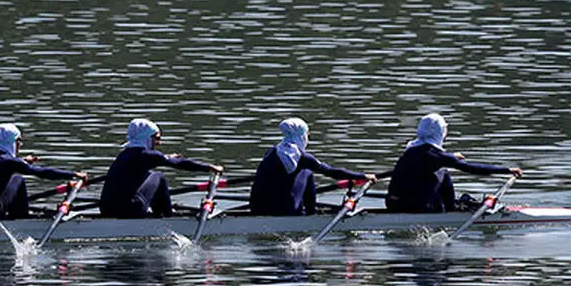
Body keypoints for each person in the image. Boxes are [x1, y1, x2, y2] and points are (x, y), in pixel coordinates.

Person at [383, 113, 522, 213]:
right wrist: (507, 170)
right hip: (416, 208)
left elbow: (398, 171)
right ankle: (451, 210)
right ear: (440, 132)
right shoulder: (437, 157)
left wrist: (377, 176)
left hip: (392, 204)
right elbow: (471, 168)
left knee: (440, 169)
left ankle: (449, 207)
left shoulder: (411, 150)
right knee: (443, 171)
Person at [248, 118, 378, 216]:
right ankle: (311, 214)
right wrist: (363, 176)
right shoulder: (303, 158)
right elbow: (332, 172)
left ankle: (307, 211)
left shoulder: (271, 151)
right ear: (301, 136)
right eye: (307, 134)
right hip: (283, 211)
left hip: (256, 208)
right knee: (307, 172)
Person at [0, 123, 86, 220]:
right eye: (19, 140)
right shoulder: (10, 162)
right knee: (18, 179)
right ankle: (21, 217)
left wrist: (22, 161)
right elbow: (42, 172)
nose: (20, 144)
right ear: (12, 142)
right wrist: (73, 174)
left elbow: (9, 164)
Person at [99, 119, 222, 218]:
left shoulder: (125, 154)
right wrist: (210, 168)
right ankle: (167, 216)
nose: (159, 143)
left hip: (106, 210)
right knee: (159, 176)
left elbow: (157, 159)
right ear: (147, 138)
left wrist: (165, 157)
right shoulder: (147, 155)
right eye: (157, 138)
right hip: (130, 211)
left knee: (149, 174)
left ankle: (160, 211)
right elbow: (180, 163)